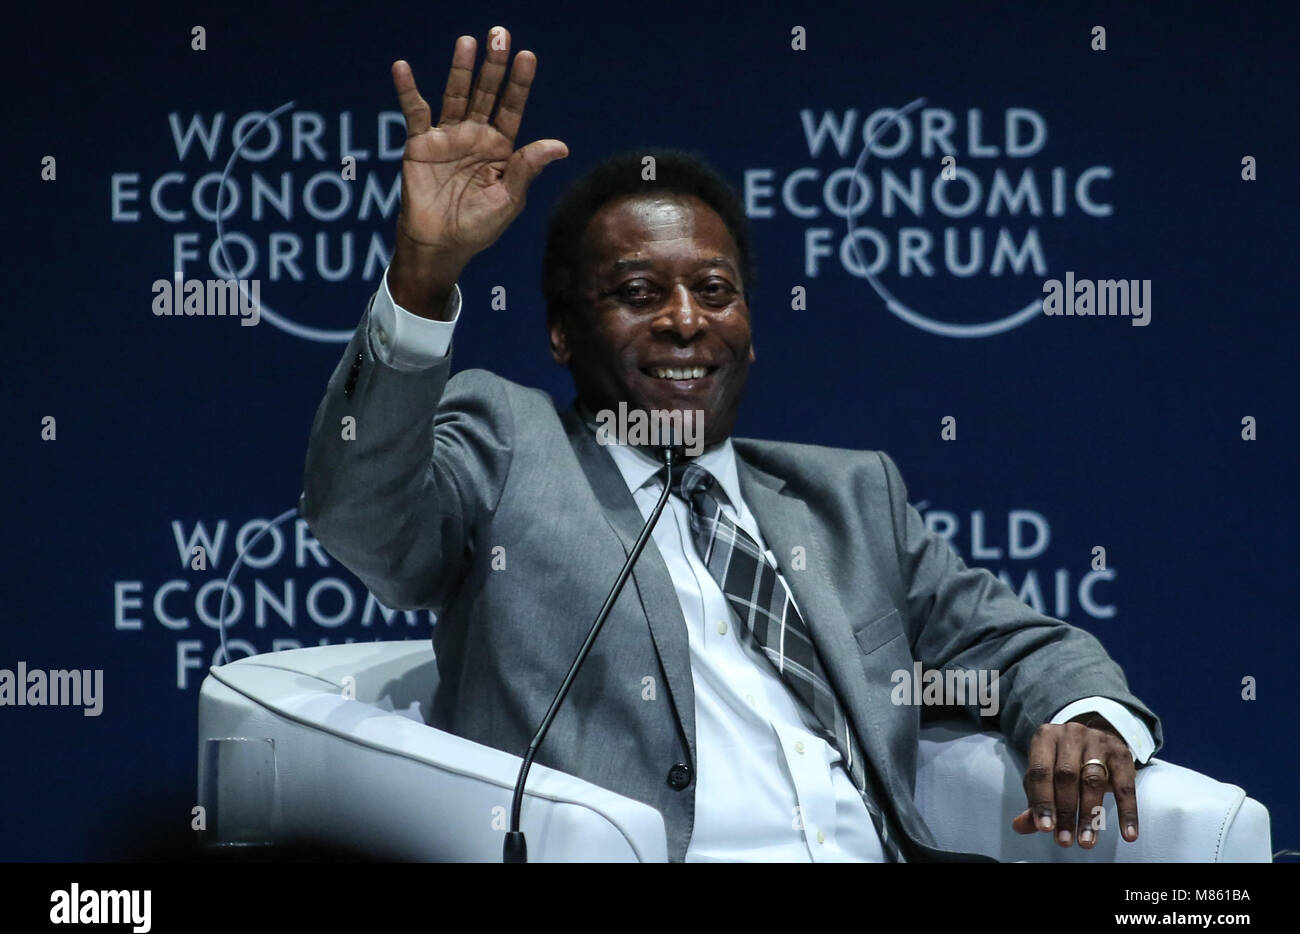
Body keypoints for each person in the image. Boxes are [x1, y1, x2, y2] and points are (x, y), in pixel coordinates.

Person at [299, 26, 1161, 862]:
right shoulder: (508, 446)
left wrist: (1083, 715)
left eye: (715, 290)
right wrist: (423, 272)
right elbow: (361, 518)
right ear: (563, 333)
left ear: (750, 325)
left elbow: (1016, 646)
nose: (684, 320)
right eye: (638, 291)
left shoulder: (850, 496)